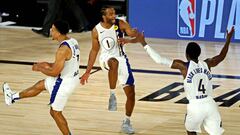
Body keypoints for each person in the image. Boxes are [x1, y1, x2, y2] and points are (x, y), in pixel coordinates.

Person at [132, 27, 234, 135]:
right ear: (199, 53)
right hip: (210, 104)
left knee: (191, 130)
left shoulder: (184, 66)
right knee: (216, 132)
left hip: (195, 106)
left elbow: (159, 59)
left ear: (186, 55)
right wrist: (228, 39)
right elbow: (222, 56)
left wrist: (143, 43)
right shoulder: (208, 63)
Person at [3, 20, 80, 135]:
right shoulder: (72, 41)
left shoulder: (62, 50)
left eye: (53, 29)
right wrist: (47, 64)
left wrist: (40, 69)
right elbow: (65, 64)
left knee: (55, 112)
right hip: (71, 78)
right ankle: (12, 97)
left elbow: (54, 72)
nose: (50, 31)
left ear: (58, 33)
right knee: (41, 85)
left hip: (63, 83)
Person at [80, 6, 138, 134]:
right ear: (103, 16)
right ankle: (112, 95)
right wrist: (87, 71)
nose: (114, 16)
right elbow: (94, 51)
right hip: (106, 59)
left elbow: (135, 36)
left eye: (114, 13)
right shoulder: (96, 30)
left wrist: (132, 36)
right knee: (113, 62)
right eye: (111, 14)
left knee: (131, 94)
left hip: (122, 59)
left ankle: (126, 122)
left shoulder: (121, 23)